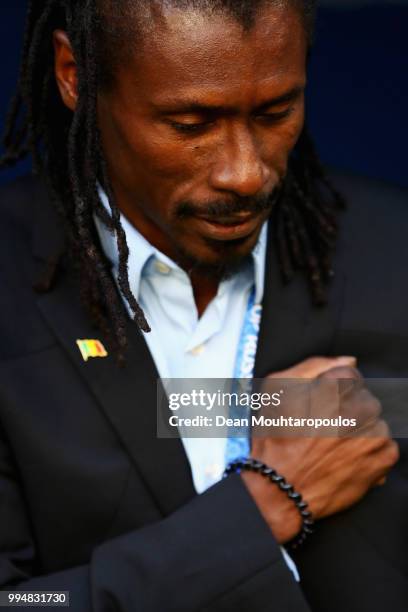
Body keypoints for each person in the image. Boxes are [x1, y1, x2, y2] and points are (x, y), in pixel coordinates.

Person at [0, 0, 408, 610]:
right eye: (190, 123)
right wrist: (264, 507)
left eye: (276, 112)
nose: (245, 174)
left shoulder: (395, 253)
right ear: (73, 73)